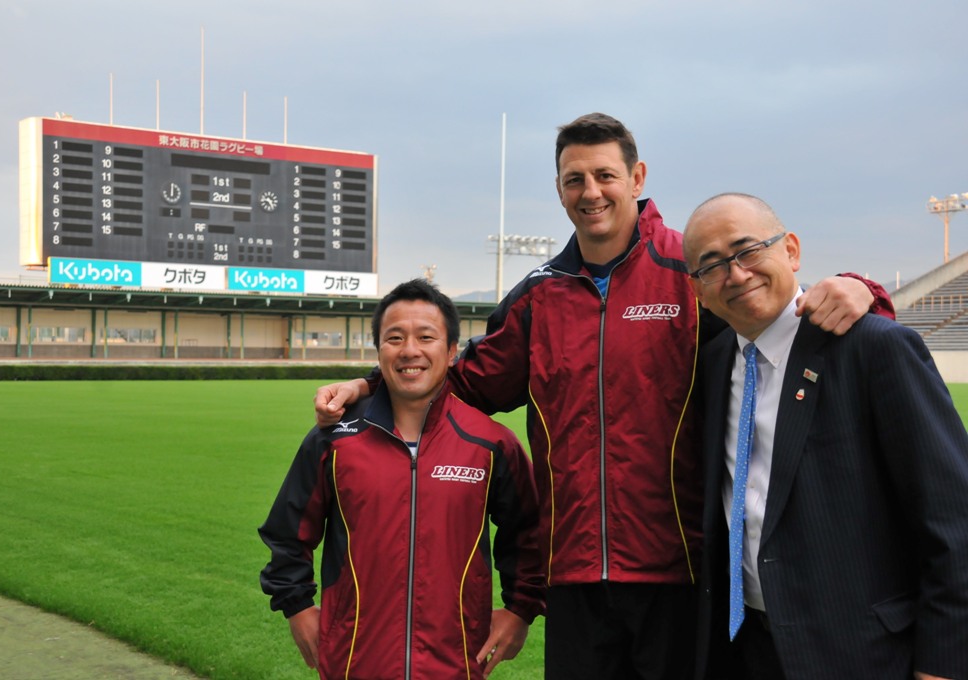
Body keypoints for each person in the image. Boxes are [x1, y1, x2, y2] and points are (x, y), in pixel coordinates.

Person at [315, 114, 893, 679]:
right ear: (561, 192)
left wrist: (860, 289)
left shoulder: (688, 270)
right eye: (574, 180)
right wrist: (369, 383)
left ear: (637, 179)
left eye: (605, 176)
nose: (590, 192)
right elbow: (463, 380)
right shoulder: (539, 295)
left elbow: (778, 313)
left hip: (681, 569)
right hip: (573, 573)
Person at [683, 193, 968, 680]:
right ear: (699, 291)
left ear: (791, 251)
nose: (736, 273)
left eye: (748, 250)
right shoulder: (711, 365)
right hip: (745, 647)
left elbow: (953, 520)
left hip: (861, 652)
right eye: (711, 266)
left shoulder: (875, 349)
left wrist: (941, 666)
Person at [259, 278, 545, 679]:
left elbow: (528, 534)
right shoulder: (333, 441)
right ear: (379, 351)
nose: (410, 350)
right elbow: (289, 532)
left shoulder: (492, 443)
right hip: (354, 659)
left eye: (426, 337)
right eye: (395, 338)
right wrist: (298, 607)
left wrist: (520, 609)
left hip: (456, 661)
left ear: (450, 353)